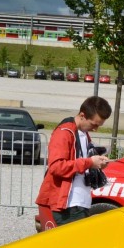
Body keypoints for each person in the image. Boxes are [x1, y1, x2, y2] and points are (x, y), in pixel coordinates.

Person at [35, 96, 113, 228]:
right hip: (67, 206)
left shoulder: (82, 133)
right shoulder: (64, 132)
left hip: (78, 203)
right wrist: (89, 163)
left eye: (99, 126)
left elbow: (81, 162)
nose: (96, 129)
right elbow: (56, 167)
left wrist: (97, 163)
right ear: (82, 115)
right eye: (94, 124)